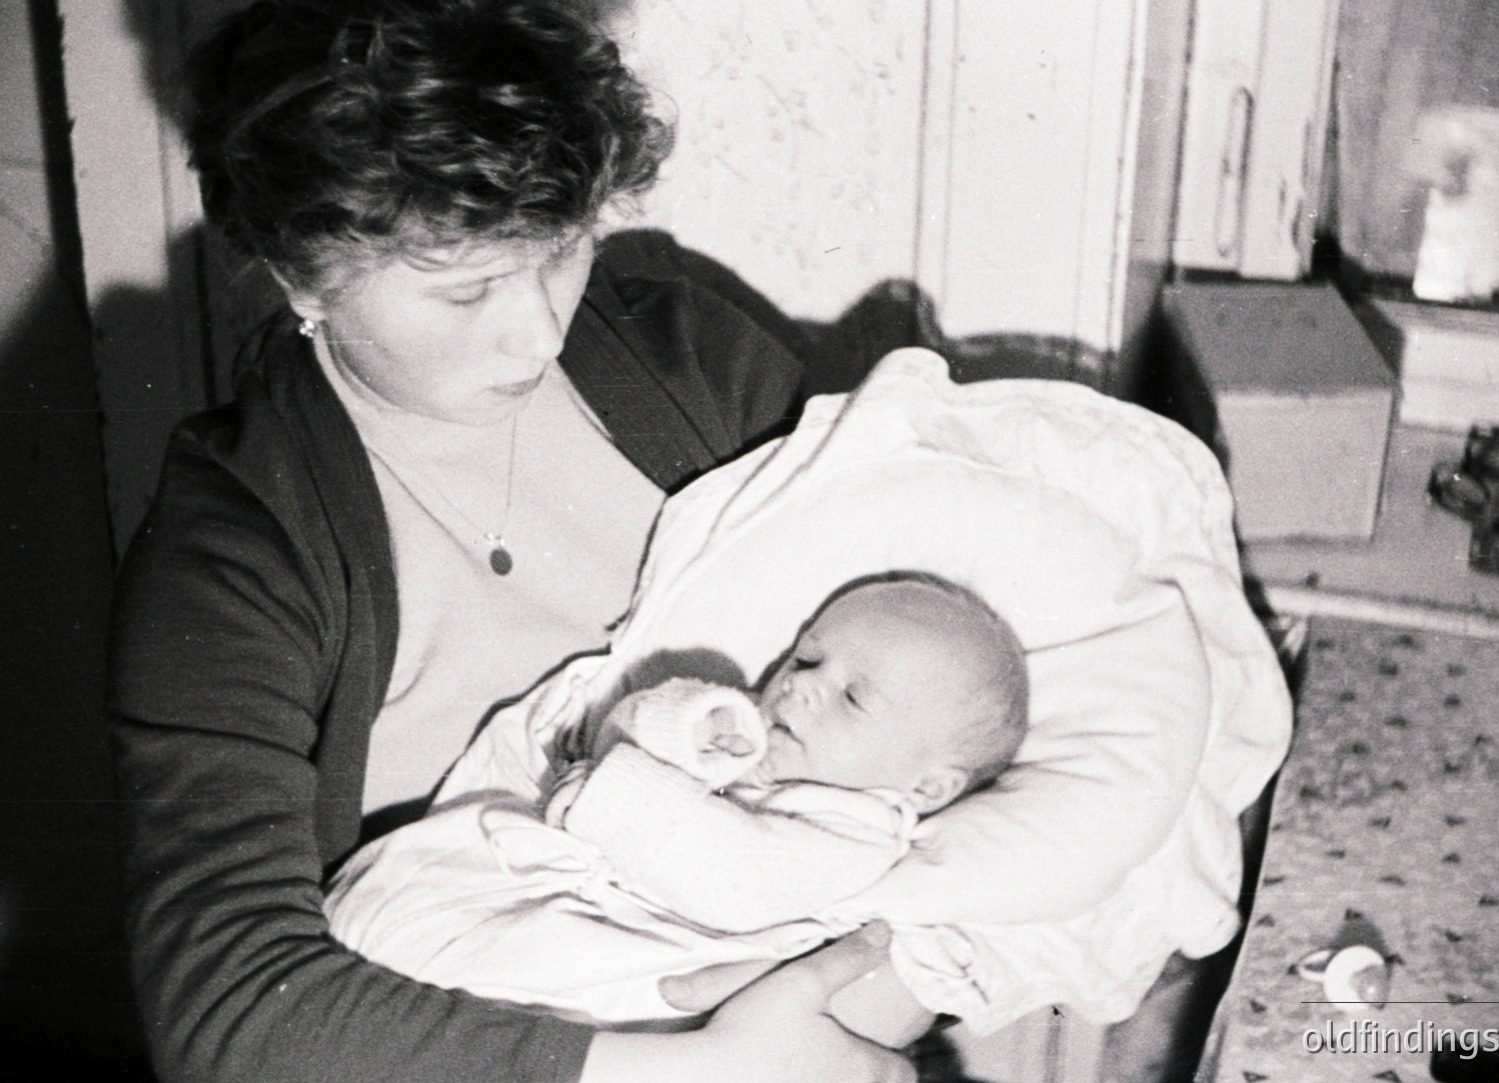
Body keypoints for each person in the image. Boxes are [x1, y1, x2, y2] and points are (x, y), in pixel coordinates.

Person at [107, 1, 916, 1081]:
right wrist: (693, 1067)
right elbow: (230, 1007)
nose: (538, 331)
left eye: (560, 250)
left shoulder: (696, 369)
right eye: (467, 289)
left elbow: (935, 655)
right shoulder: (233, 551)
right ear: (304, 276)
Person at [324, 574, 1030, 1033]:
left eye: (852, 696)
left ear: (926, 787)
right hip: (562, 885)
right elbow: (616, 730)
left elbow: (738, 877)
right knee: (409, 918)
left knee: (499, 987)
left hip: (628, 956)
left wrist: (605, 793)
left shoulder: (859, 832)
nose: (800, 685)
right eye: (806, 658)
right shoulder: (745, 731)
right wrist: (687, 724)